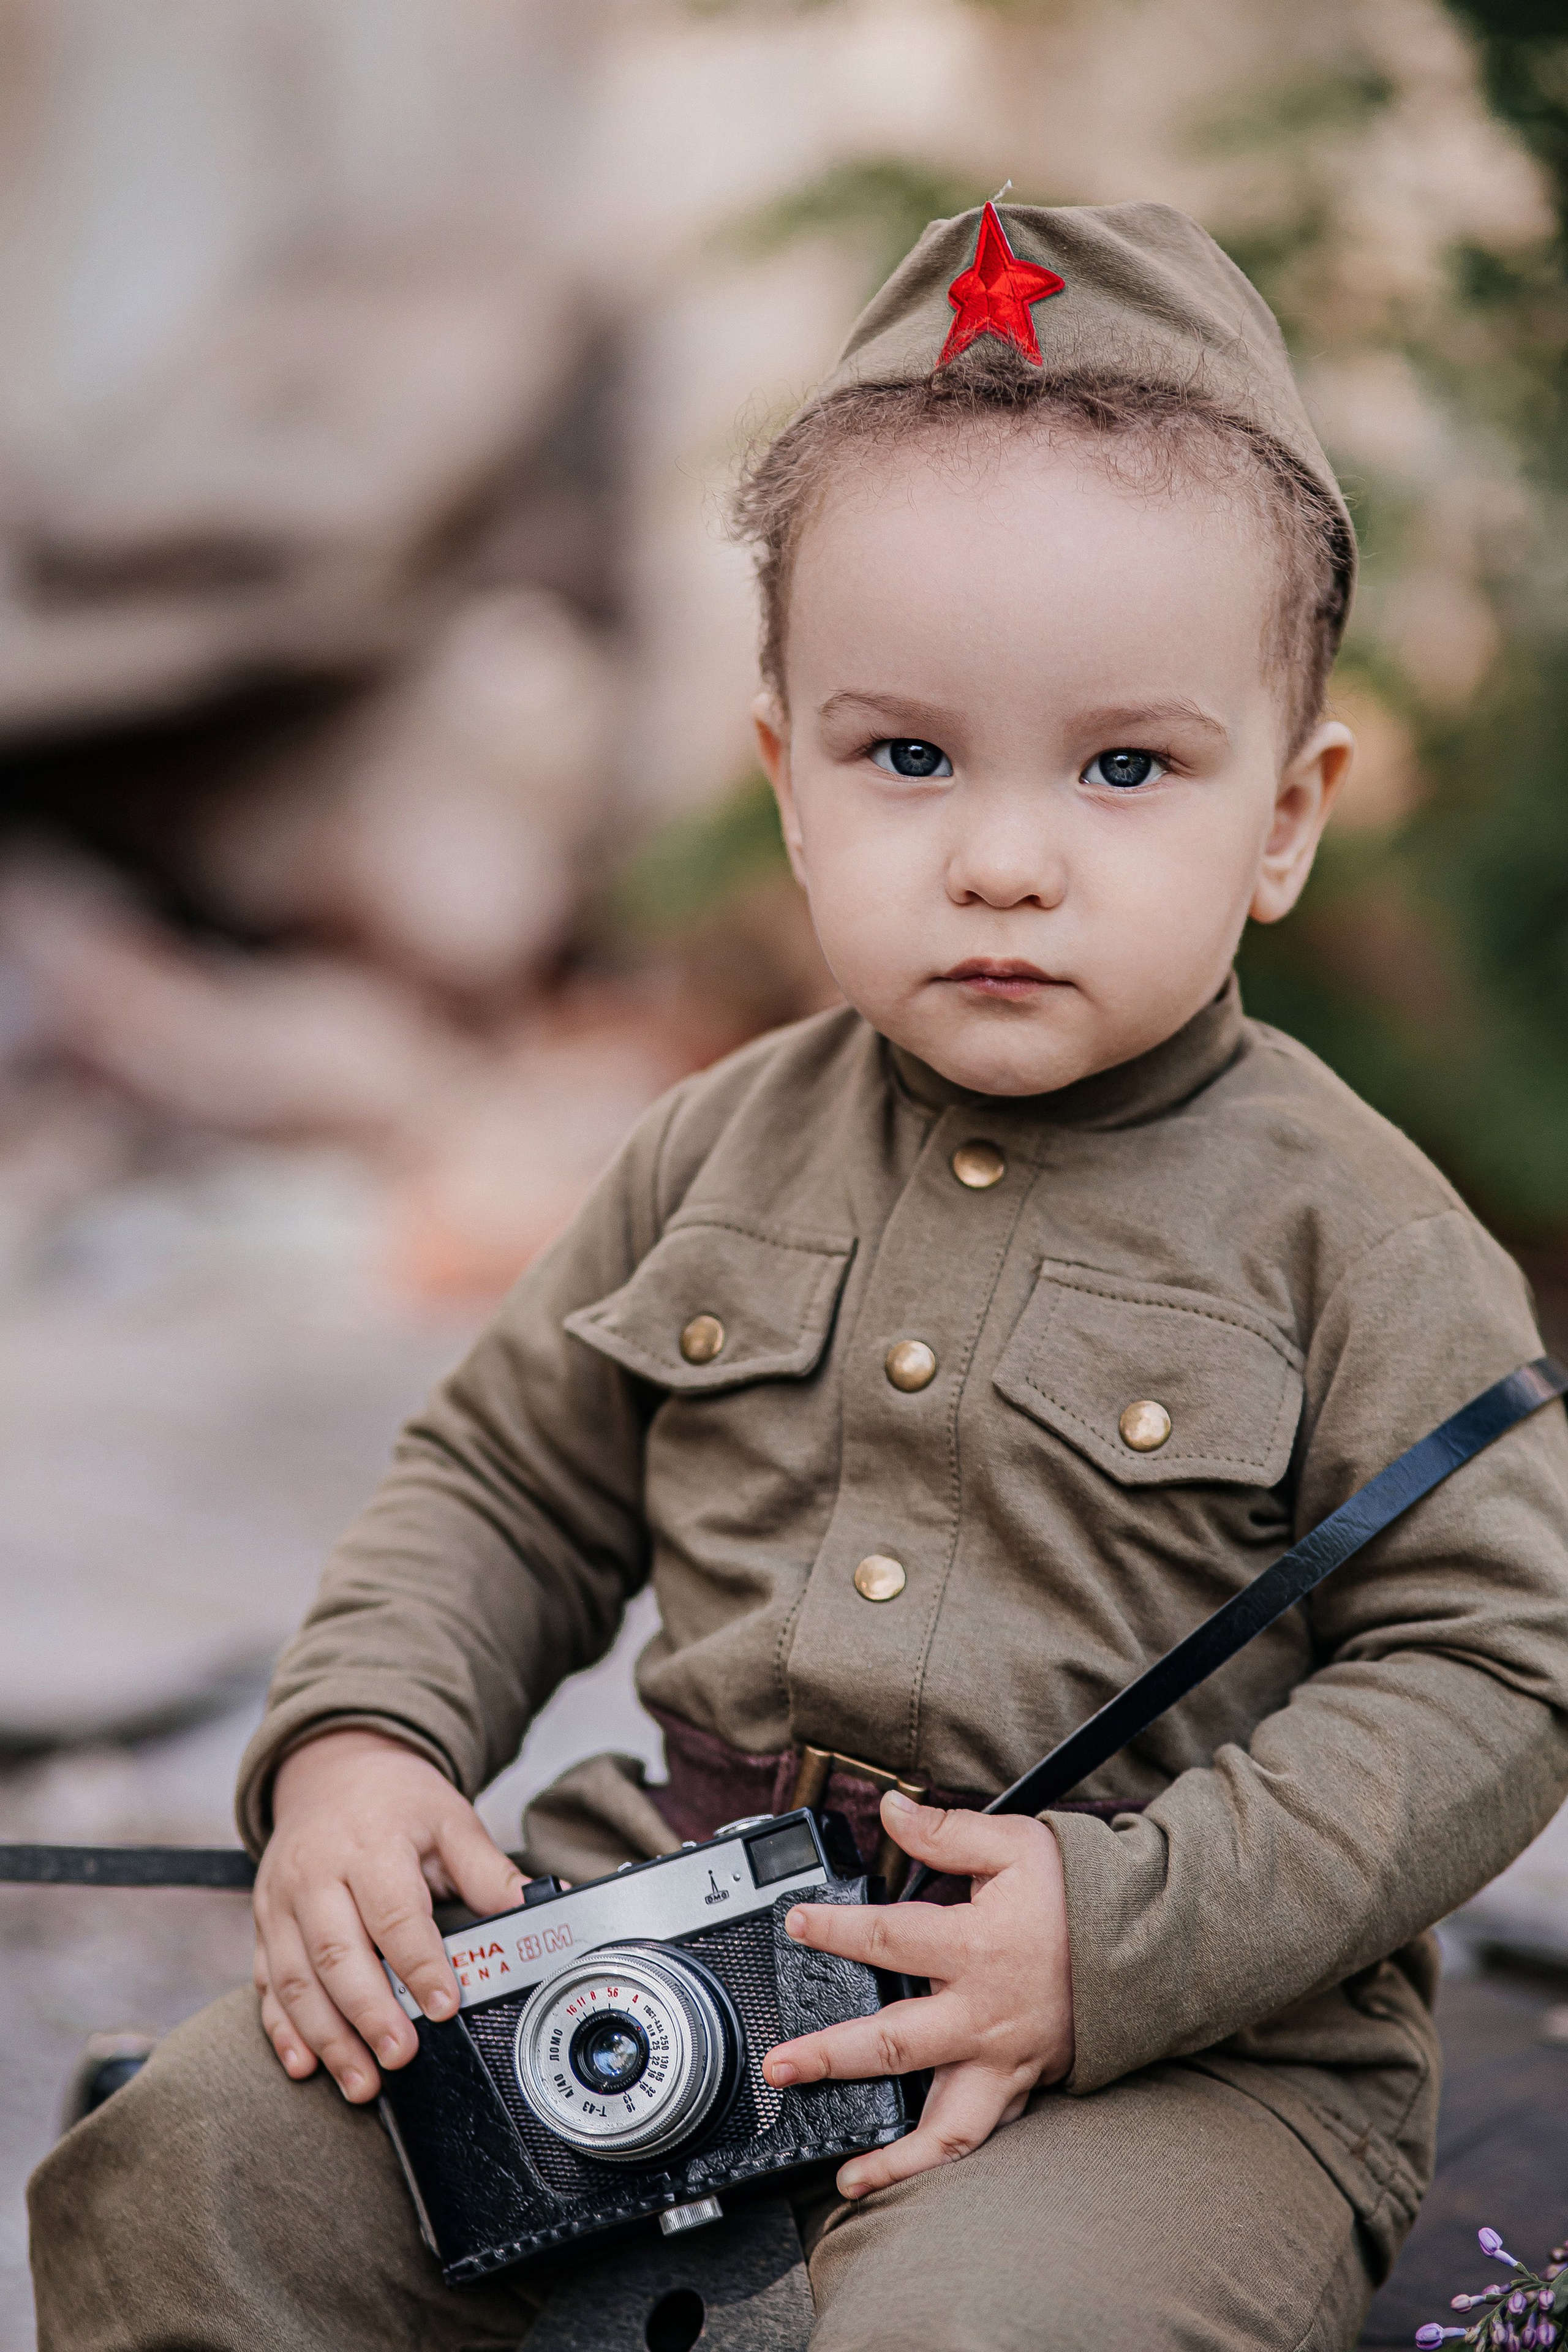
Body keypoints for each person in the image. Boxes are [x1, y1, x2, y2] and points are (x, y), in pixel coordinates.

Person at [29, 198, 1568, 2352]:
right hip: (665, 1933)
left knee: (990, 2334)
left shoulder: (1357, 1235)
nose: (1003, 858)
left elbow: (1495, 1667)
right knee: (194, 2166)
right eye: (906, 756)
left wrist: (1123, 1933)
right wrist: (364, 1747)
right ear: (787, 782)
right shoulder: (714, 1149)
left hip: (1171, 2052)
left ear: (1290, 814)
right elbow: (504, 1487)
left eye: (1127, 766)